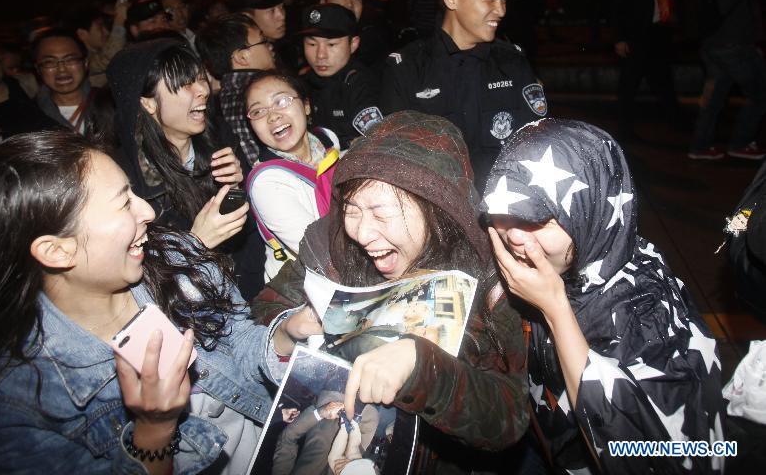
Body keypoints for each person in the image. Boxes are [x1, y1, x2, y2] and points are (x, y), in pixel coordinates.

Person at [0, 131, 317, 474]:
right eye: (124, 203)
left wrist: (282, 336)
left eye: (134, 193)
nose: (147, 211)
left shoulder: (171, 258)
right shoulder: (11, 406)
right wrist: (153, 429)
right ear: (56, 251)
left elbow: (238, 337)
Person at [253, 111, 529, 474]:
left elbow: (509, 415)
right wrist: (288, 329)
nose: (362, 234)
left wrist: (426, 370)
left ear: (437, 209)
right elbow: (261, 310)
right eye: (352, 210)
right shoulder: (330, 249)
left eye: (381, 214)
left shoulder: (493, 275)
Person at [482, 118, 726, 474]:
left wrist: (555, 311)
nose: (515, 237)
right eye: (505, 214)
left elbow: (659, 458)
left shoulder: (647, 318)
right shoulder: (567, 263)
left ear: (589, 211)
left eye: (539, 219)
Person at [107, 38, 266, 299]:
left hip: (247, 290)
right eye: (184, 84)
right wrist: (195, 244)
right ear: (148, 103)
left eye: (200, 78)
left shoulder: (220, 139)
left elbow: (250, 236)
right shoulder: (126, 181)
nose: (202, 90)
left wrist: (241, 187)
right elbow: (138, 282)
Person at [381, 0, 547, 187]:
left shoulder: (512, 63)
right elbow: (394, 157)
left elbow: (536, 147)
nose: (501, 11)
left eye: (504, 1)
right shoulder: (407, 69)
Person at [244, 71, 341, 280]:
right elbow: (320, 253)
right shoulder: (267, 183)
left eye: (281, 101)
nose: (273, 116)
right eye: (258, 111)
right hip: (308, 288)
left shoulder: (327, 140)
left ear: (306, 105)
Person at [688, 0, 766, 161]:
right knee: (761, 95)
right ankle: (741, 143)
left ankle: (699, 147)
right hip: (735, 45)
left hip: (711, 45)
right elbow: (756, 0)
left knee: (714, 99)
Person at [612, 0, 681, 141]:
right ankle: (624, 129)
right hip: (636, 33)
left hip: (658, 30)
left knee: (663, 78)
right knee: (630, 82)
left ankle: (675, 120)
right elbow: (617, 3)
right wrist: (620, 37)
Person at [196, 13, 278, 167]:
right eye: (263, 41)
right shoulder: (263, 92)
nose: (270, 46)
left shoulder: (216, 100)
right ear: (242, 57)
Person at [301, 3, 383, 150]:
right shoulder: (302, 83)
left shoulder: (361, 85)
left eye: (331, 45)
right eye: (312, 44)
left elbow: (374, 142)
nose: (320, 55)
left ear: (353, 44)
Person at [32, 28, 115, 141]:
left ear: (85, 63)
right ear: (38, 69)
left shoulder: (111, 103)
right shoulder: (30, 114)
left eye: (70, 60)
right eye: (49, 62)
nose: (61, 69)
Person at [70, 0, 130, 87]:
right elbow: (110, 57)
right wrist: (119, 20)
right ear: (82, 34)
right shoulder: (80, 61)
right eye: (100, 27)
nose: (106, 32)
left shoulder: (99, 52)